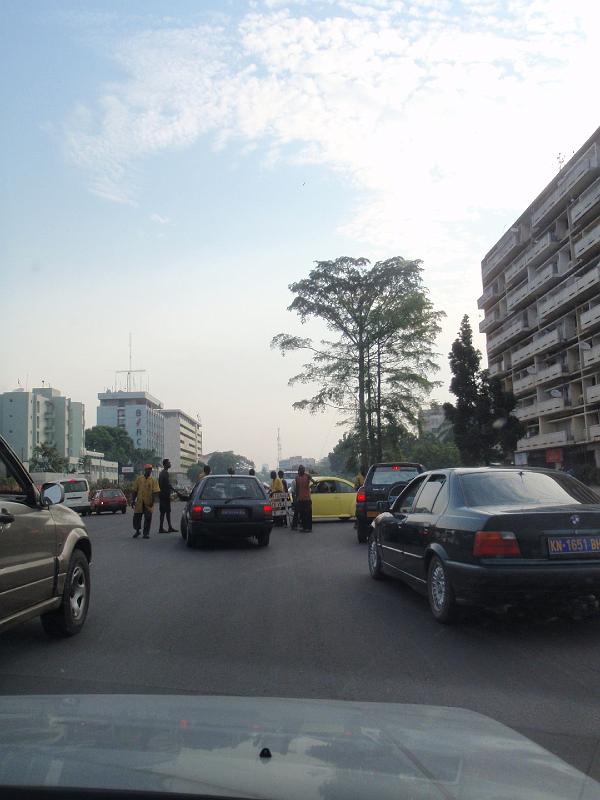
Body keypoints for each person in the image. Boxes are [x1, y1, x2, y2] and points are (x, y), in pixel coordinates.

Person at [131, 464, 160, 539]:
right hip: (139, 502)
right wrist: (132, 500)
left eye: (150, 469)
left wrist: (152, 501)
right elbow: (135, 490)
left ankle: (146, 533)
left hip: (148, 503)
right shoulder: (139, 479)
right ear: (145, 470)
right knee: (137, 517)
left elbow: (155, 492)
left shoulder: (153, 480)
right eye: (148, 469)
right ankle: (137, 531)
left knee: (148, 518)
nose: (149, 471)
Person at [158, 458, 177, 533]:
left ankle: (169, 527)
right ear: (165, 464)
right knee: (164, 512)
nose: (170, 464)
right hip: (164, 495)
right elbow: (163, 484)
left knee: (167, 512)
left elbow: (166, 484)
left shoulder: (164, 473)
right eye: (169, 463)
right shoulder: (164, 473)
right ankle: (161, 528)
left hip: (164, 495)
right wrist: (171, 489)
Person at [295, 464, 315, 532]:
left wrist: (310, 477)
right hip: (300, 499)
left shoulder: (307, 476)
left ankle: (309, 528)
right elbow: (297, 488)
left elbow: (314, 482)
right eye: (300, 469)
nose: (302, 470)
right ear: (299, 470)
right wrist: (296, 498)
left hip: (307, 499)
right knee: (302, 514)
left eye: (303, 469)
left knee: (308, 514)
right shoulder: (297, 478)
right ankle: (304, 527)